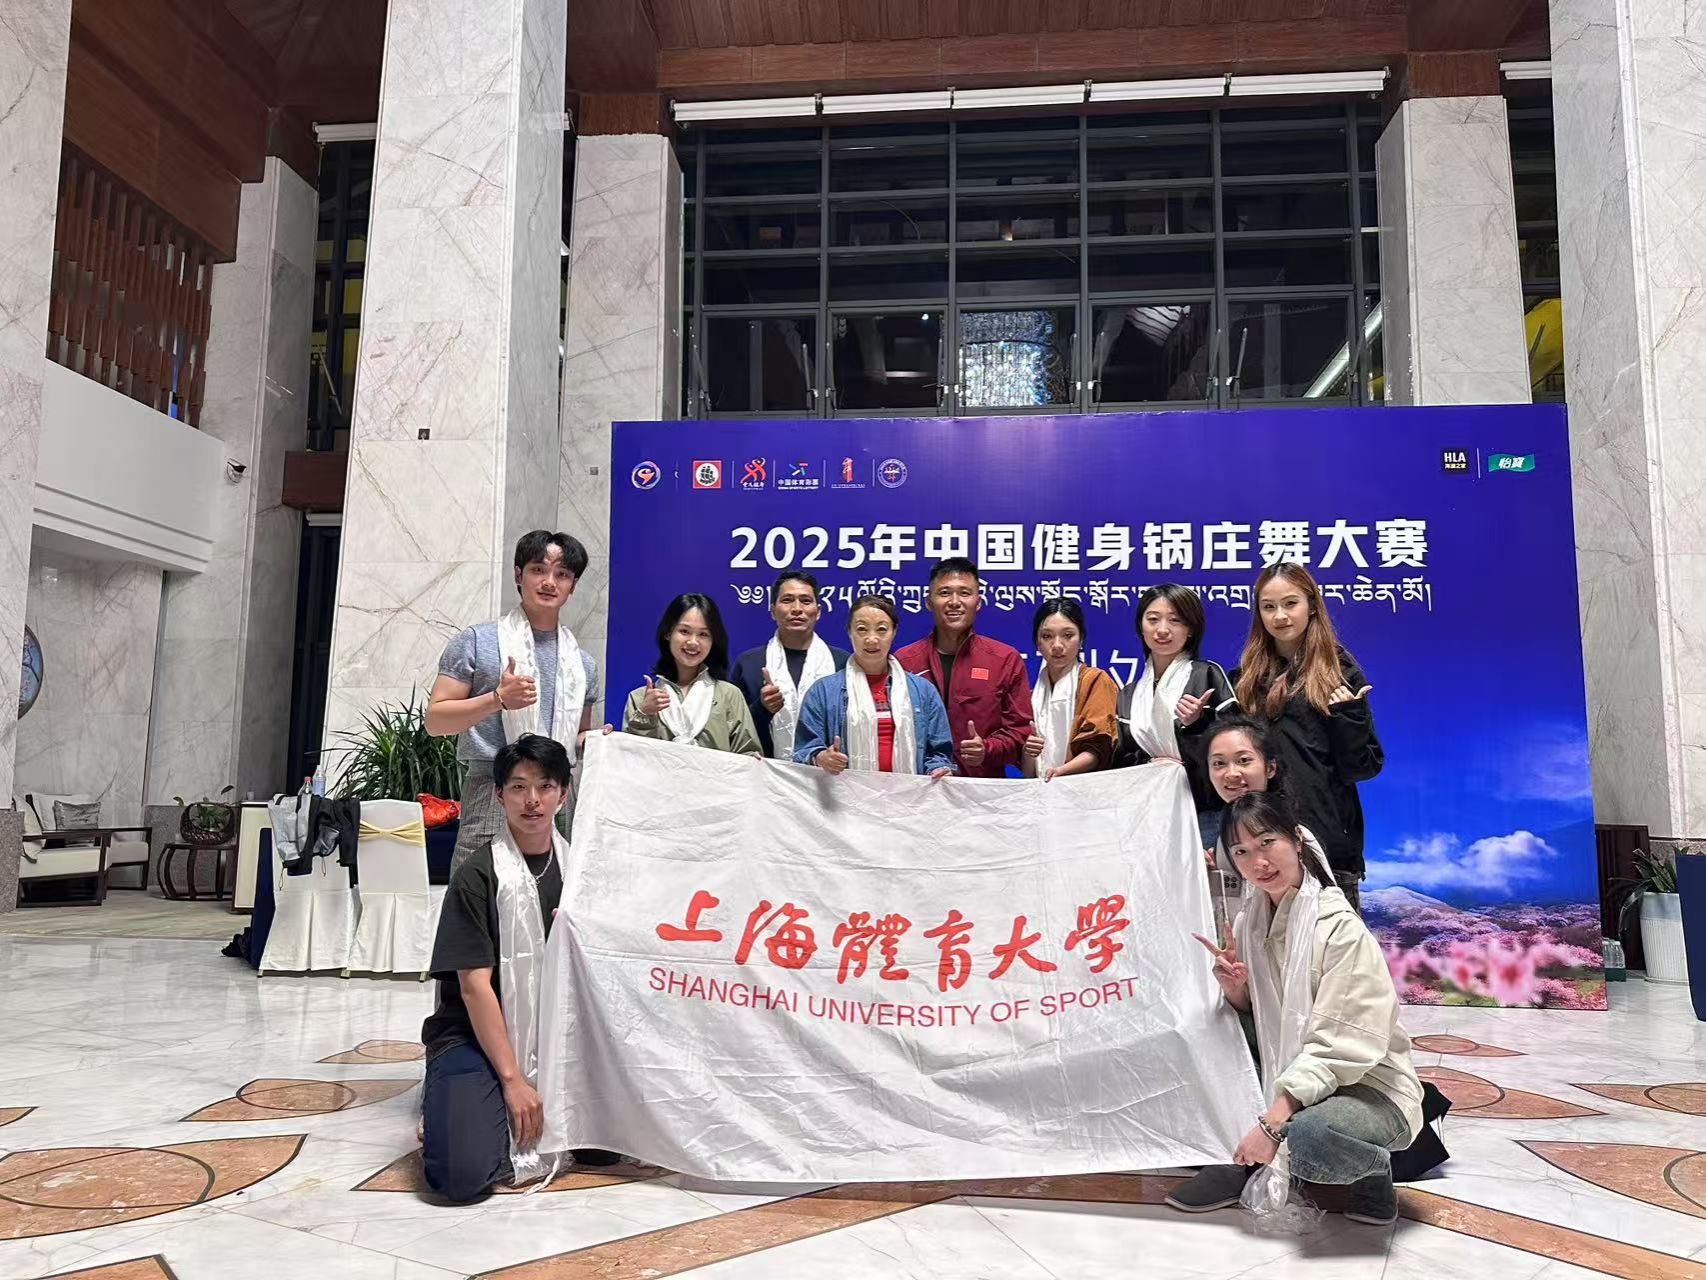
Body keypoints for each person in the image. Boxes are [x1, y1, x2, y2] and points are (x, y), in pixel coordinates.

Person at [1166, 791, 1423, 1226]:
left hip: (1367, 1087)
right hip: (1300, 1073)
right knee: (1197, 1039)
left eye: (1267, 842)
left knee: (1311, 1139)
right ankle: (1236, 1161)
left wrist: (1273, 1125)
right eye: (1242, 852)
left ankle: (1374, 1170)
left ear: (1296, 841)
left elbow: (1339, 1045)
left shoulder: (1339, 929)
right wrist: (1237, 991)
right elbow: (1268, 1022)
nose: (1258, 862)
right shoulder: (1250, 921)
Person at [419, 735, 618, 1201]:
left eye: (545, 786)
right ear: (498, 795)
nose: (532, 800)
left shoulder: (581, 875)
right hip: (474, 1034)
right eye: (518, 787)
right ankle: (448, 1095)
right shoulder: (477, 875)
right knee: (461, 1174)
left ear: (563, 794)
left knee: (607, 1147)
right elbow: (473, 988)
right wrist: (512, 1081)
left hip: (563, 1033)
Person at [426, 531, 604, 874]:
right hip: (493, 789)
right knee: (477, 894)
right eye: (539, 569)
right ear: (519, 575)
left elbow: (578, 736)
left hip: (557, 795)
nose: (549, 582)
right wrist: (497, 700)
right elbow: (436, 721)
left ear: (572, 586)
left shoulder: (583, 665)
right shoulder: (478, 641)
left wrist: (594, 740)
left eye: (562, 574)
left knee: (555, 897)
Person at [1229, 564, 1382, 910]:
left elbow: (1363, 768)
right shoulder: (1243, 680)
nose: (1280, 616)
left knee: (1336, 946)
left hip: (1327, 849)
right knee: (1264, 946)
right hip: (1261, 852)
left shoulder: (1339, 672)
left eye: (1290, 603)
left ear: (1312, 605)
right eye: (1268, 606)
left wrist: (1348, 718)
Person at [1112, 584, 1236, 845]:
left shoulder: (1207, 675)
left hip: (1206, 811)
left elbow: (1237, 743)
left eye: (1175, 620)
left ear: (1191, 629)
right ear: (1141, 626)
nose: (1162, 630)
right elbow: (1122, 759)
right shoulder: (1128, 695)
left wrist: (1197, 725)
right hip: (1149, 812)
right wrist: (1151, 764)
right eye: (1153, 619)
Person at [895, 557, 1034, 778]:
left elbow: (1020, 731)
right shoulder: (904, 661)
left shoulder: (1005, 659)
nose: (954, 602)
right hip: (919, 786)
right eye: (944, 593)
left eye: (964, 593)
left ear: (978, 602)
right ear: (928, 602)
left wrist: (987, 749)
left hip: (982, 788)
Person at [793, 594, 954, 778]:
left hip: (908, 794)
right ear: (849, 632)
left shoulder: (923, 691)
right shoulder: (822, 691)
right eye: (862, 629)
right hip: (845, 793)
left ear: (894, 632)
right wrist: (821, 758)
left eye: (882, 630)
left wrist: (938, 769)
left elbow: (939, 752)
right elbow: (803, 750)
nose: (871, 639)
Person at [730, 571, 850, 760]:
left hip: (828, 773)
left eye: (805, 601)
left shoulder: (841, 662)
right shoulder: (749, 663)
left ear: (818, 611)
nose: (797, 609)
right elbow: (732, 731)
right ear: (772, 610)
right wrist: (762, 708)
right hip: (764, 773)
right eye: (787, 600)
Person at [623, 593, 762, 754]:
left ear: (713, 640)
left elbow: (747, 755)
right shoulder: (639, 698)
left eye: (703, 634)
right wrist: (645, 715)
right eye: (684, 631)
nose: (693, 642)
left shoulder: (729, 695)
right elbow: (631, 757)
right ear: (668, 633)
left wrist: (754, 758)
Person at [1020, 598, 1119, 781]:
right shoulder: (1033, 696)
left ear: (1081, 640)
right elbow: (1028, 773)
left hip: (1084, 787)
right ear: (1037, 643)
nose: (1057, 645)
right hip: (1043, 789)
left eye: (1067, 635)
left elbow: (1100, 748)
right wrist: (1028, 752)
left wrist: (1061, 772)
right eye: (1047, 636)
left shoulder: (1095, 680)